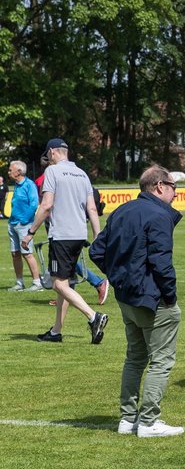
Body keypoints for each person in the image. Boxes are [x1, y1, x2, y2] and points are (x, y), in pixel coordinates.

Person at [89, 166, 183, 437]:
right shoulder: (158, 215)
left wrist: (120, 278)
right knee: (160, 361)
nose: (176, 192)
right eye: (173, 186)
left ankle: (128, 418)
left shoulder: (122, 210)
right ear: (159, 186)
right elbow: (161, 262)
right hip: (151, 298)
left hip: (127, 298)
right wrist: (169, 296)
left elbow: (98, 250)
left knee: (135, 358)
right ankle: (149, 421)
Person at [21, 139, 108, 344]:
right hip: (79, 234)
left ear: (52, 152)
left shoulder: (53, 171)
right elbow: (92, 209)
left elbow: (46, 205)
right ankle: (56, 331)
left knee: (57, 284)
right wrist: (97, 236)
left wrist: (31, 232)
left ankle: (93, 317)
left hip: (61, 235)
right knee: (65, 282)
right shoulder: (82, 173)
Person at [7, 160, 42, 291]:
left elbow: (34, 204)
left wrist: (23, 220)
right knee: (15, 253)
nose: (9, 172)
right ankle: (19, 282)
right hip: (12, 223)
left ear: (19, 172)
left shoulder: (29, 185)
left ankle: (37, 282)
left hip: (24, 224)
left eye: (11, 170)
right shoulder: (17, 185)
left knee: (27, 253)